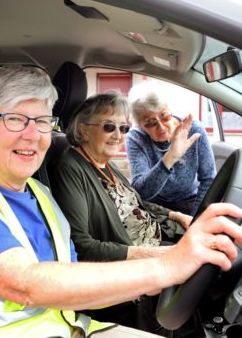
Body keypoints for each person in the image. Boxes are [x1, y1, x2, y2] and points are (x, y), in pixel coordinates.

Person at [0, 66, 242, 338]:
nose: (33, 135)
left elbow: (69, 267)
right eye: (14, 119)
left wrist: (175, 254)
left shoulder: (39, 194)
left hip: (71, 326)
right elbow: (25, 284)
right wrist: (167, 266)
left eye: (40, 121)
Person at [49, 91, 195, 334]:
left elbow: (138, 204)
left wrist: (177, 216)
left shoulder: (104, 163)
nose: (118, 136)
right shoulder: (70, 167)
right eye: (109, 127)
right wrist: (151, 255)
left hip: (156, 244)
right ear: (84, 131)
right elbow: (82, 246)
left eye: (123, 128)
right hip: (131, 268)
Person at [126, 80, 216, 216]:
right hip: (155, 205)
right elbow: (141, 191)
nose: (161, 127)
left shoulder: (193, 130)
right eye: (150, 122)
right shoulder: (136, 137)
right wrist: (170, 157)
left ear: (171, 110)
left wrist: (195, 218)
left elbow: (208, 179)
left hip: (190, 201)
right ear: (140, 125)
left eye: (164, 116)